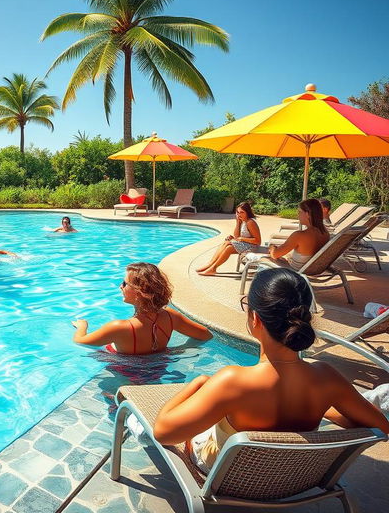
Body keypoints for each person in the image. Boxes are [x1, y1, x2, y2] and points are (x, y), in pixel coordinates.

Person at [153, 268, 389, 474]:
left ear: (255, 318)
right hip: (294, 478)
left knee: (195, 428)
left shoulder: (232, 381)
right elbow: (381, 427)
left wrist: (196, 384)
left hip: (229, 478)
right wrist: (325, 410)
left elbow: (164, 433)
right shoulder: (326, 378)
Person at [72, 262, 212, 354]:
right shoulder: (170, 317)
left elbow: (80, 342)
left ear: (140, 293)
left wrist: (82, 326)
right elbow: (205, 334)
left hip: (124, 379)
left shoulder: (119, 327)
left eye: (124, 283)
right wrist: (175, 352)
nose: (120, 286)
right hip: (159, 371)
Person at [196, 202, 261, 276]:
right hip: (245, 245)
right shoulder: (243, 221)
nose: (239, 214)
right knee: (226, 242)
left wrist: (241, 239)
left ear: (247, 212)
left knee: (229, 247)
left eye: (242, 212)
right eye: (238, 212)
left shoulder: (250, 222)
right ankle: (210, 265)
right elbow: (236, 237)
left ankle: (212, 268)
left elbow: (258, 241)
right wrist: (238, 223)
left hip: (252, 247)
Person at [267, 198, 329, 269]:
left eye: (299, 212)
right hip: (310, 269)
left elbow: (275, 254)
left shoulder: (300, 235)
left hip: (296, 271)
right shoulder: (325, 232)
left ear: (307, 214)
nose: (298, 215)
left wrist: (272, 247)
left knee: (264, 259)